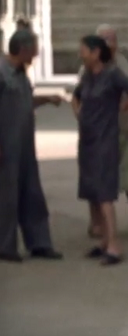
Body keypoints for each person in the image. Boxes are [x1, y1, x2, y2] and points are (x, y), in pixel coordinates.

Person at [73, 34, 128, 266]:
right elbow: (75, 97)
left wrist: (125, 106)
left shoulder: (112, 74)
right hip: (88, 141)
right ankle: (104, 241)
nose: (80, 55)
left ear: (96, 53)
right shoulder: (87, 76)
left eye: (83, 51)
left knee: (105, 193)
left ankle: (114, 245)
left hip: (106, 141)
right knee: (94, 193)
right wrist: (80, 116)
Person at [80, 25, 128, 241]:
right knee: (98, 180)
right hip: (99, 135)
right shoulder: (88, 68)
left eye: (114, 38)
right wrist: (85, 122)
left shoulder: (121, 64)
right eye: (107, 39)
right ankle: (97, 224)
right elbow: (79, 98)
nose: (112, 43)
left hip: (122, 129)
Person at [0, 30, 64, 263]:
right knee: (7, 197)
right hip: (6, 146)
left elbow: (24, 101)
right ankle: (5, 246)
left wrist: (46, 99)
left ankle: (39, 243)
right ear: (23, 49)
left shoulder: (21, 75)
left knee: (32, 194)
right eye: (34, 51)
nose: (36, 56)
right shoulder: (3, 73)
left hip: (25, 146)